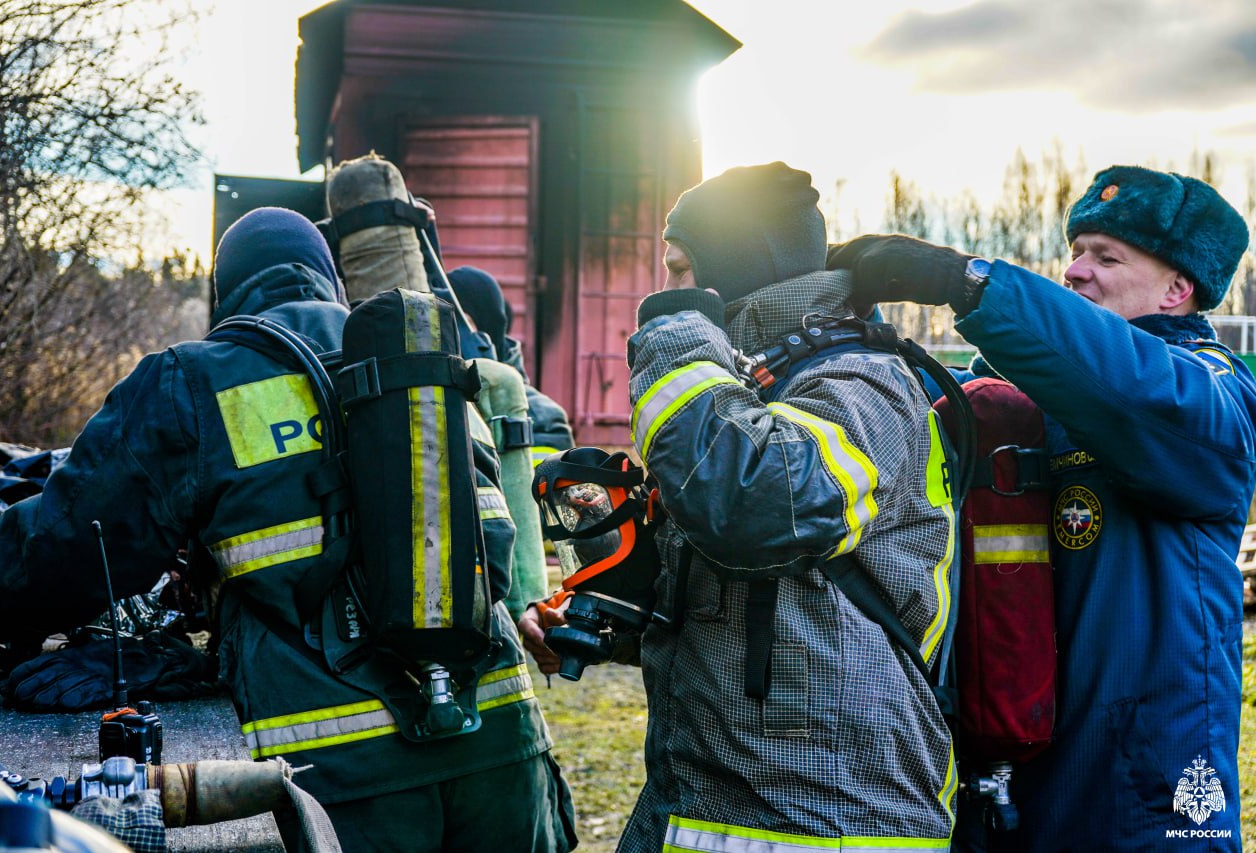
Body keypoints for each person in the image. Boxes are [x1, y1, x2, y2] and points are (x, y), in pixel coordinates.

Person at [0, 207, 576, 852]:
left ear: (225, 295)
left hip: (344, 776)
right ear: (330, 281)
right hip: (503, 748)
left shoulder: (191, 382)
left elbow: (64, 553)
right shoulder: (429, 369)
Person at [522, 162, 958, 850]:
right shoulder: (748, 392)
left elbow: (754, 507)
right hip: (710, 805)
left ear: (728, 269)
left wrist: (674, 336)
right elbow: (766, 608)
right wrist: (607, 625)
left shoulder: (859, 381)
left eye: (679, 269)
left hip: (824, 818)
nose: (665, 291)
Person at [827, 164, 1254, 851]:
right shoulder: (1020, 396)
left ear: (1179, 289)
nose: (1077, 270)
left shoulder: (1214, 392)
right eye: (1075, 251)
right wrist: (851, 334)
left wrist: (968, 284)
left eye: (1106, 256)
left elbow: (1139, 392)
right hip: (1003, 778)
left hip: (1143, 793)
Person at [447, 265, 576, 466]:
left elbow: (539, 493)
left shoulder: (543, 420)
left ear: (490, 329)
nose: (451, 337)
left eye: (464, 325)